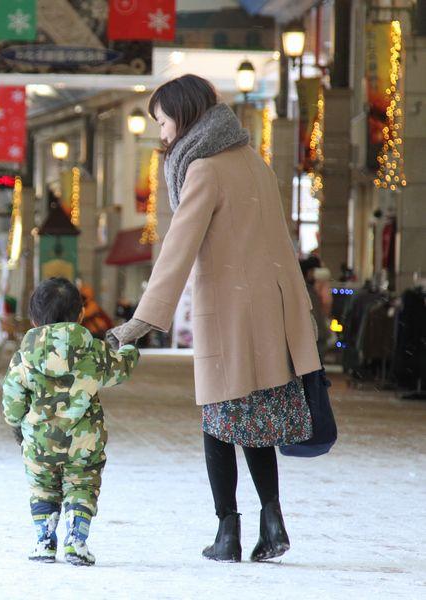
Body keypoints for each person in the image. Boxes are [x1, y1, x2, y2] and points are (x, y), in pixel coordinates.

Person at [107, 75, 320, 563]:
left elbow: (177, 250)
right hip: (274, 313)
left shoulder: (203, 168)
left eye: (162, 122)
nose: (162, 135)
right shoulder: (254, 162)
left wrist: (140, 322)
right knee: (257, 421)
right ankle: (273, 520)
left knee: (218, 422)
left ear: (183, 113)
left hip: (230, 313)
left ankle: (228, 533)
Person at [2, 278, 140, 566]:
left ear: (34, 318)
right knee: (82, 485)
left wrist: (17, 423)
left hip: (39, 442)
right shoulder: (92, 350)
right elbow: (120, 369)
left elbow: (12, 397)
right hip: (84, 442)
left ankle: (44, 542)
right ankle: (77, 541)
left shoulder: (24, 356)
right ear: (79, 315)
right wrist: (128, 348)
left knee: (43, 488)